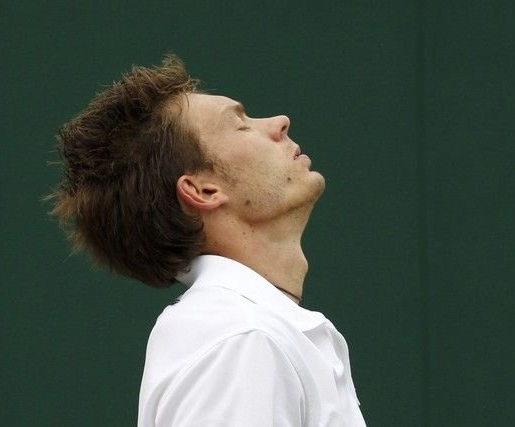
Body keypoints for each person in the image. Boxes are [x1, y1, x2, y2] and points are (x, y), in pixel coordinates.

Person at [49, 55, 366, 426]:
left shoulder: (244, 333)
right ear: (202, 189)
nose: (279, 123)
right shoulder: (242, 339)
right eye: (241, 125)